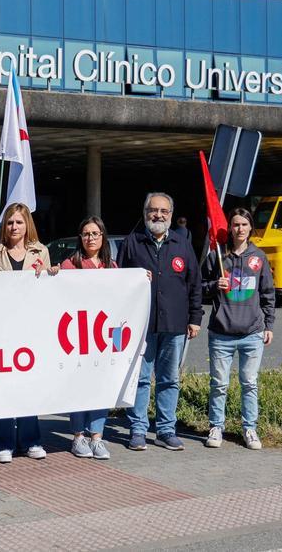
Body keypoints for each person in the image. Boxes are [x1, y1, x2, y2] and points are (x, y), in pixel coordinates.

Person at [116, 192, 203, 452]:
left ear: (171, 215)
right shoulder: (132, 243)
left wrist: (195, 318)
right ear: (145, 214)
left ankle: (166, 430)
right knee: (140, 380)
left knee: (169, 380)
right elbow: (119, 285)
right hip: (141, 327)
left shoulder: (182, 243)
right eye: (154, 210)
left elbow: (194, 283)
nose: (158, 215)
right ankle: (138, 430)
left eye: (164, 211)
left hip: (175, 324)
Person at [0, 202, 58, 463]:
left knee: (28, 384)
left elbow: (47, 289)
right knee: (2, 385)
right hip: (1, 327)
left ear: (28, 225)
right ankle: (3, 442)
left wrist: (49, 274)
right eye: (10, 222)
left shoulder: (41, 251)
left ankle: (31, 440)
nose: (14, 227)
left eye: (19, 222)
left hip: (30, 328)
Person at [203, 208, 275, 451]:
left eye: (244, 224)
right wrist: (215, 284)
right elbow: (199, 287)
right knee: (219, 384)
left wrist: (269, 325)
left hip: (252, 333)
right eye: (235, 225)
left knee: (249, 383)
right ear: (229, 228)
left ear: (250, 227)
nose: (240, 229)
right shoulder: (217, 256)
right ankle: (216, 426)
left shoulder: (259, 258)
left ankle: (250, 428)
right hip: (221, 334)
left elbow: (268, 294)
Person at [59, 216, 117, 460]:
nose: (90, 238)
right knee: (78, 386)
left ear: (102, 237)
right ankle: (78, 436)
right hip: (76, 334)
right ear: (80, 238)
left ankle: (97, 437)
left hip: (101, 336)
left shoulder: (112, 267)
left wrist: (140, 279)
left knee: (100, 386)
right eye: (86, 234)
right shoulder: (70, 264)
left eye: (95, 233)